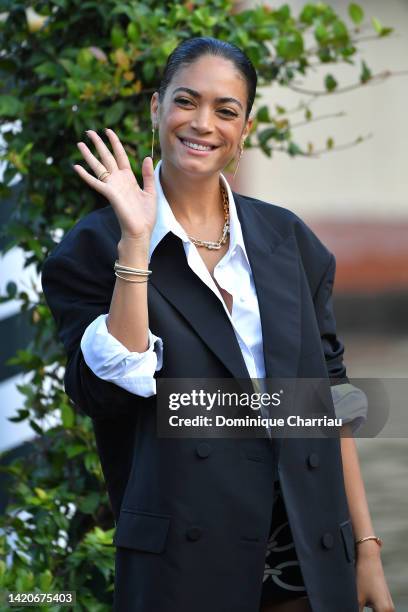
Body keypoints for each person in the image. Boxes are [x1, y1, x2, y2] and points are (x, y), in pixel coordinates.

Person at [41, 37, 394, 612]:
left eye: (226, 110)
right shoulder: (92, 246)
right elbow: (104, 393)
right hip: (186, 557)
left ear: (246, 128)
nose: (203, 123)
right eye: (186, 101)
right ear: (157, 108)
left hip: (307, 548)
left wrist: (368, 550)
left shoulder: (288, 239)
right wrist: (136, 241)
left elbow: (331, 400)